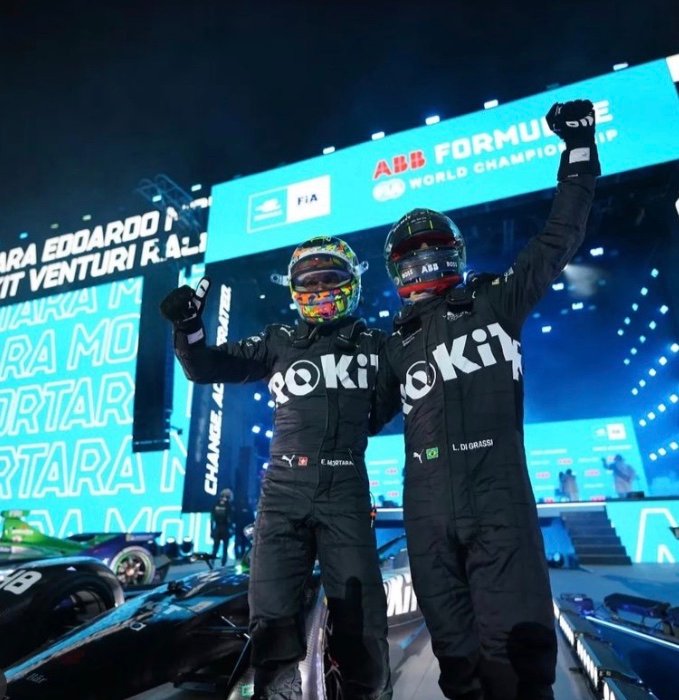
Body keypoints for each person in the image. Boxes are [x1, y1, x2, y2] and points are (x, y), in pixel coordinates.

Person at [373, 100, 600, 700]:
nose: (423, 258)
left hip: (498, 500)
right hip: (426, 511)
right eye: (411, 253)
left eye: (432, 247)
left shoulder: (498, 300)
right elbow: (355, 416)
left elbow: (559, 237)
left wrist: (579, 151)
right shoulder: (393, 345)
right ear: (396, 269)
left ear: (454, 252)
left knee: (519, 664)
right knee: (457, 664)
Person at [160, 236, 392, 700]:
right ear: (294, 288)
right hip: (284, 488)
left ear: (352, 282)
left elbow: (383, 410)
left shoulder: (378, 345)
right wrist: (188, 328)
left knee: (360, 622)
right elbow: (203, 367)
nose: (321, 289)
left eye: (331, 278)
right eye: (311, 281)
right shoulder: (277, 341)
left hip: (345, 487)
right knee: (271, 617)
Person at [210, 488, 233, 566]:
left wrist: (211, 530)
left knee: (215, 546)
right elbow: (229, 518)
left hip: (217, 528)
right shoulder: (228, 505)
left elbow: (212, 518)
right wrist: (231, 528)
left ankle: (212, 561)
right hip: (225, 528)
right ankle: (223, 563)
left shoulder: (216, 503)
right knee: (225, 547)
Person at [233, 495, 255, 561]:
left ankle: (238, 556)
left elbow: (233, 517)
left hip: (239, 528)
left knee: (238, 543)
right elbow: (252, 519)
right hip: (244, 529)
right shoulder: (248, 507)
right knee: (242, 543)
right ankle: (241, 556)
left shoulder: (238, 507)